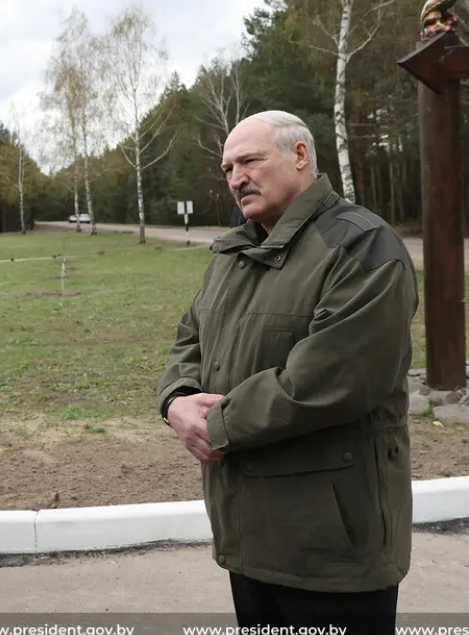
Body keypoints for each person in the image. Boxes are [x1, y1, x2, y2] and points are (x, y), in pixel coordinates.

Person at [155, 110, 419, 635]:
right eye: (228, 168)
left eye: (250, 160)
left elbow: (331, 379)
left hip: (331, 550)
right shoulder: (234, 252)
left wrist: (217, 425)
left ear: (300, 156)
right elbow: (191, 336)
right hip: (248, 537)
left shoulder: (361, 246)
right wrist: (176, 399)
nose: (236, 178)